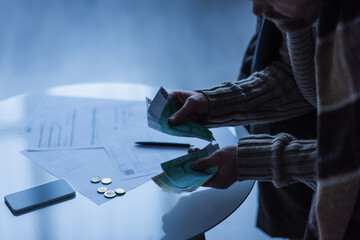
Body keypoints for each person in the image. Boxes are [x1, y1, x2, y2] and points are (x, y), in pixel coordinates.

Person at [168, 0, 360, 239]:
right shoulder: (306, 13)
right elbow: (303, 81)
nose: (257, 10)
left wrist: (252, 160)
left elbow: (351, 166)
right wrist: (211, 104)